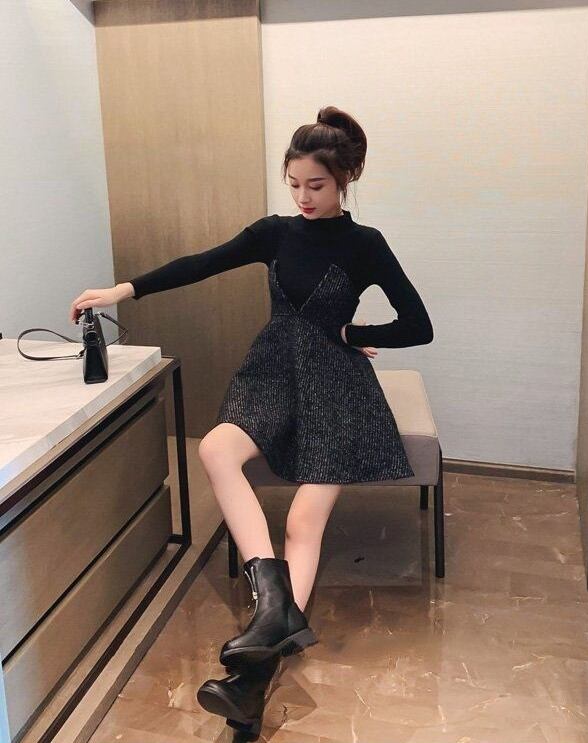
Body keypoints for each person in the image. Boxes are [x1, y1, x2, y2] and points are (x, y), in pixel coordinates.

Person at [69, 105, 433, 739]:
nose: (303, 197)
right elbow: (200, 263)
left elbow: (418, 325)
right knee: (215, 449)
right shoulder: (274, 233)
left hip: (336, 387)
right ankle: (274, 612)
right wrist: (122, 290)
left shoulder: (365, 244)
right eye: (293, 184)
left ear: (346, 179)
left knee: (301, 523)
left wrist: (352, 333)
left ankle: (251, 684)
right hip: (269, 373)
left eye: (316, 185)